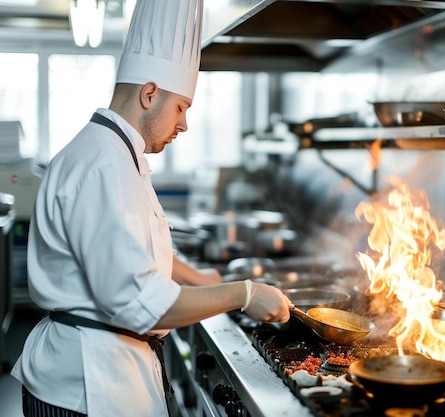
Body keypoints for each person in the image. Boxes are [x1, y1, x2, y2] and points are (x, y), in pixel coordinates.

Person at [10, 0, 292, 416]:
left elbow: (133, 248)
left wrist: (197, 277)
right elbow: (140, 304)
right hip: (88, 386)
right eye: (181, 107)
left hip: (103, 373)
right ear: (149, 93)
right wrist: (242, 294)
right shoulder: (105, 166)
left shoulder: (119, 154)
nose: (184, 124)